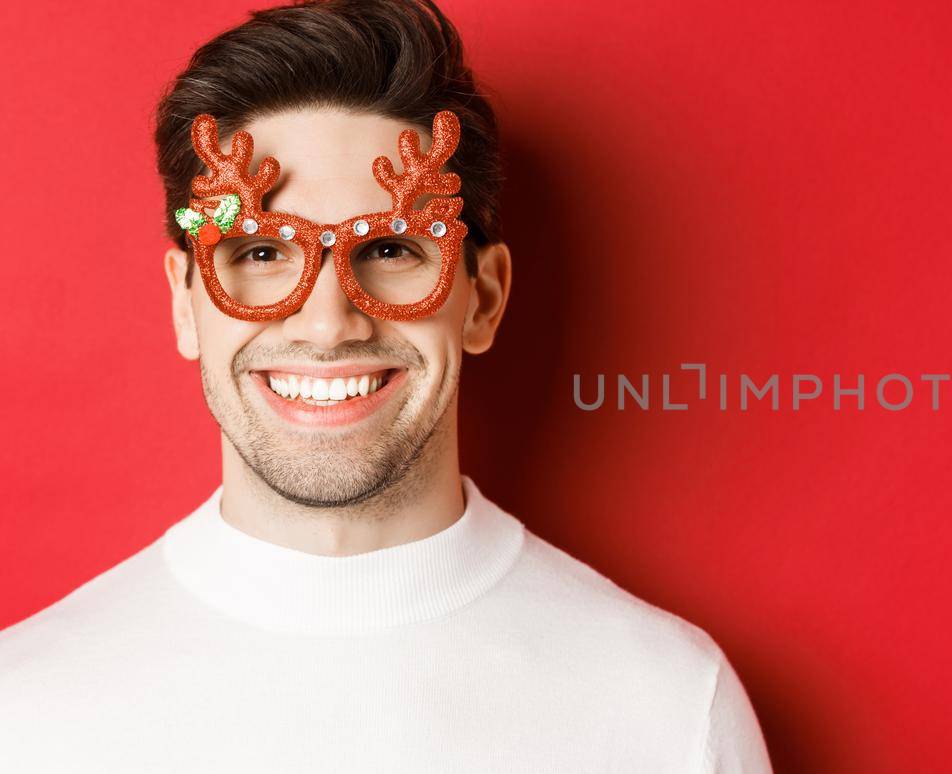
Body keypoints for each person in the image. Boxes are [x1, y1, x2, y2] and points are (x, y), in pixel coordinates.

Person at [0, 1, 773, 771]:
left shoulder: (668, 705)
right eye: (263, 252)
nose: (330, 324)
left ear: (486, 298)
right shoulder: (26, 711)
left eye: (394, 247)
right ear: (186, 303)